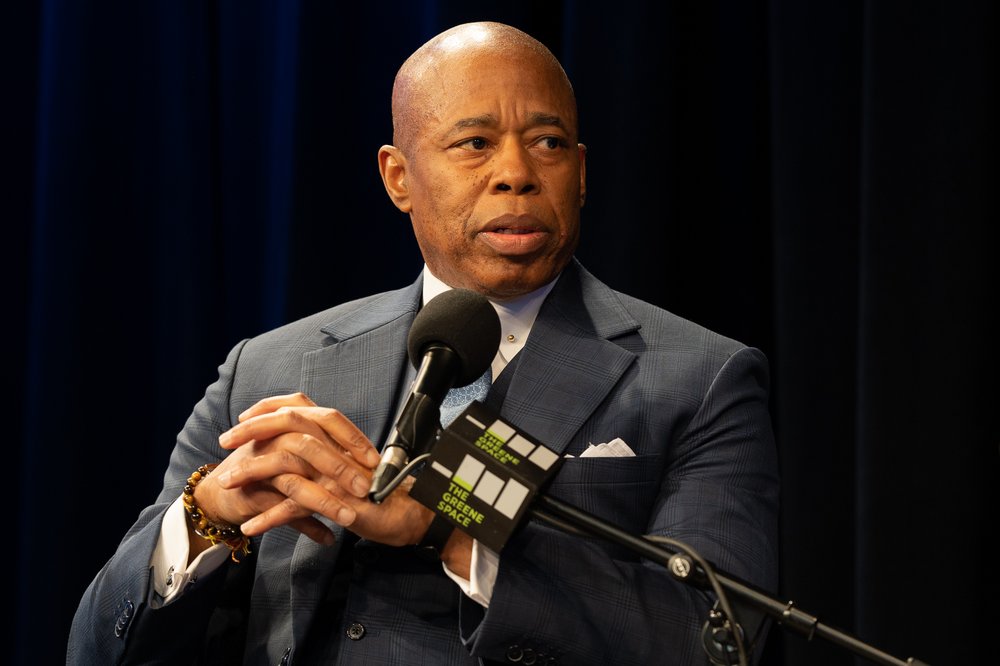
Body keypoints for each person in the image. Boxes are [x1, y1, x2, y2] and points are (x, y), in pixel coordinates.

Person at [68, 21, 779, 666]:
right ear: (398, 177)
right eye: (475, 143)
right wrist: (206, 520)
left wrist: (453, 533)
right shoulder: (268, 370)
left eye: (549, 143)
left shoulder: (699, 377)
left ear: (582, 174)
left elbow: (719, 640)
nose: (517, 173)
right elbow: (97, 648)